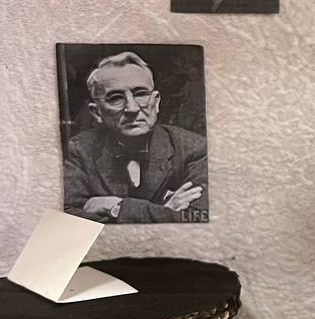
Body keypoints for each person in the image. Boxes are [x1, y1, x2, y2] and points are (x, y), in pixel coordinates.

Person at [63, 52, 208, 223]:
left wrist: (116, 207)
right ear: (97, 112)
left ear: (156, 102)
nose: (132, 108)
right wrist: (163, 212)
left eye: (140, 94)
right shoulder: (79, 150)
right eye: (115, 98)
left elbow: (199, 218)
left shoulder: (194, 148)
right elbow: (68, 221)